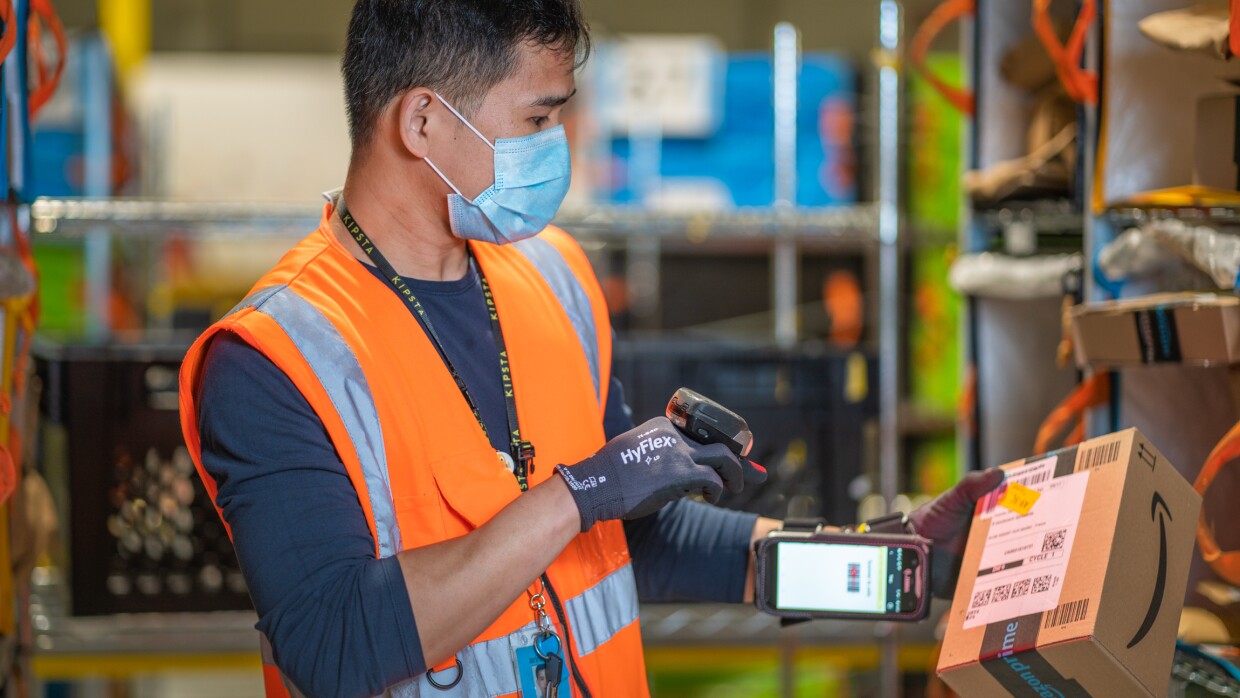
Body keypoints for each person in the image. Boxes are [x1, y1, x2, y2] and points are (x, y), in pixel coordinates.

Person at [177, 2, 1004, 697]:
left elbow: (631, 542)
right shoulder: (275, 357)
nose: (558, 143)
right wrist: (579, 493)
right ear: (423, 122)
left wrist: (891, 563)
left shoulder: (555, 278)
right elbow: (331, 647)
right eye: (538, 118)